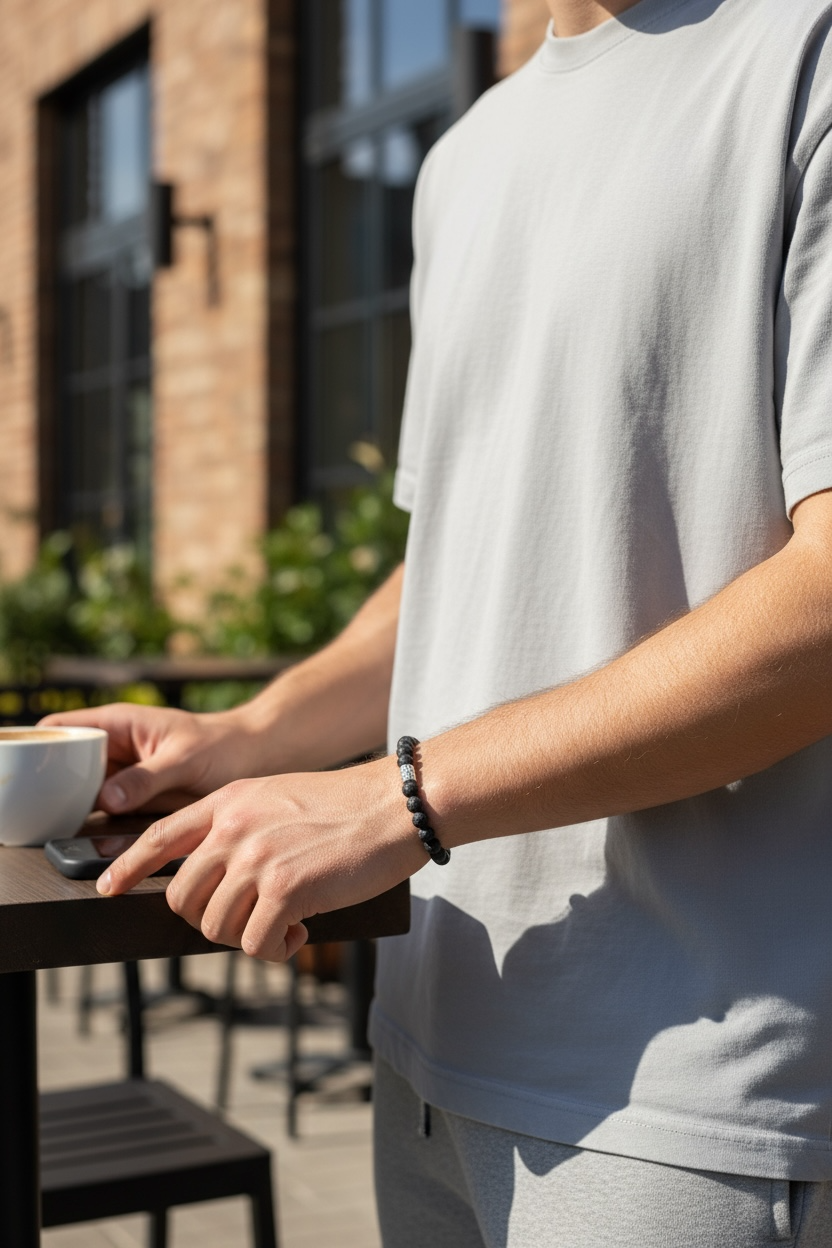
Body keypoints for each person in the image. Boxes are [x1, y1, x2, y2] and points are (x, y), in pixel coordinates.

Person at [49, 0, 832, 1242]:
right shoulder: (465, 154)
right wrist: (255, 734)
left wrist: (395, 797)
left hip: (689, 1096)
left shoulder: (801, 56)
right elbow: (456, 559)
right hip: (430, 1042)